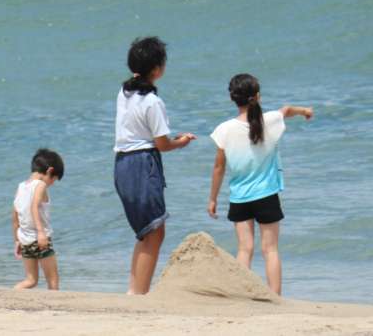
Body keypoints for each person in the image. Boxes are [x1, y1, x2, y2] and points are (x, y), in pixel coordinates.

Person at [207, 73, 312, 295]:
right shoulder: (270, 120)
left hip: (239, 197)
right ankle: (275, 296)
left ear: (232, 99)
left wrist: (213, 198)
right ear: (258, 96)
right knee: (270, 249)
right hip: (266, 195)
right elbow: (286, 110)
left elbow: (219, 168)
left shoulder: (224, 129)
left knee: (244, 250)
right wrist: (304, 111)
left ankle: (240, 294)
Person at [114, 36, 196, 295]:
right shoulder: (153, 102)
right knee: (155, 231)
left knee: (146, 231)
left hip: (122, 164)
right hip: (142, 164)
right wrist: (181, 142)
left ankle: (134, 290)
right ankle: (139, 293)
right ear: (157, 69)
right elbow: (162, 144)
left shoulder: (124, 93)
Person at [12, 149, 64, 290]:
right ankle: (53, 306)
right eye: (54, 179)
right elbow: (34, 207)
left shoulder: (21, 187)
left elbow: (15, 215)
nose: (51, 183)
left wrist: (16, 240)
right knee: (53, 279)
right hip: (40, 239)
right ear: (49, 171)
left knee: (31, 280)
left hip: (24, 240)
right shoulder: (40, 185)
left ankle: (12, 295)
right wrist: (41, 233)